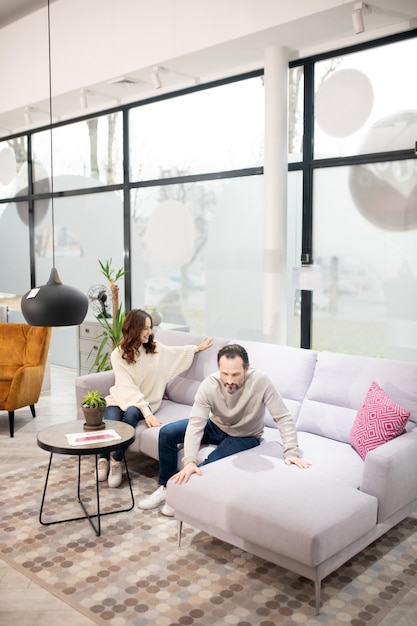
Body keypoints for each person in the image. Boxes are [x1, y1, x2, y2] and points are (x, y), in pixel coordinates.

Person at [138, 343, 311, 516]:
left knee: (211, 463)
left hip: (245, 435)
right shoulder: (210, 385)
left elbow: (283, 417)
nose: (229, 380)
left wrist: (291, 452)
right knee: (167, 433)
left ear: (247, 368)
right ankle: (167, 488)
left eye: (235, 374)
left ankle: (181, 498)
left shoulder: (260, 381)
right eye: (225, 374)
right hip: (216, 425)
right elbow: (196, 424)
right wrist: (189, 460)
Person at [97, 308, 213, 487]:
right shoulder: (117, 355)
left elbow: (175, 353)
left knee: (132, 414)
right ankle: (103, 458)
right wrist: (148, 414)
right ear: (133, 329)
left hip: (145, 401)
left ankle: (115, 461)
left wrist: (196, 348)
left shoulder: (154, 349)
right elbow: (128, 389)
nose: (149, 332)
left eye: (150, 327)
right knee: (111, 421)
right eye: (145, 328)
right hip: (120, 398)